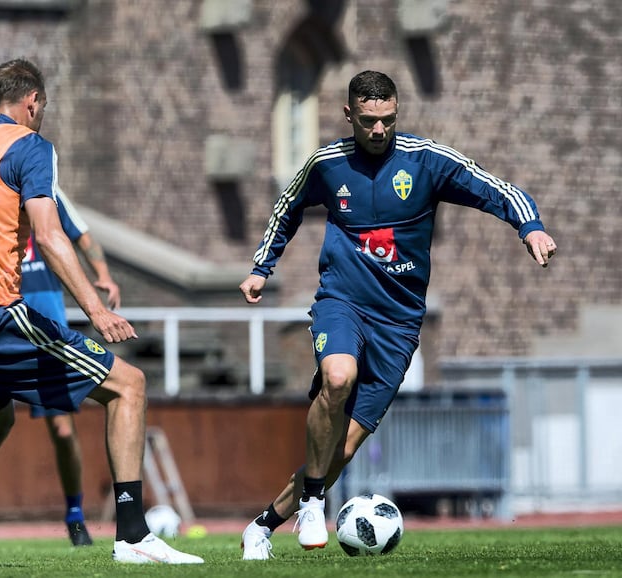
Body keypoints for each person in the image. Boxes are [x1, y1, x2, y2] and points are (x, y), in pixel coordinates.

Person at [0, 58, 203, 568]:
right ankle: (133, 535)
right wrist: (96, 308)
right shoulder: (30, 147)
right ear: (32, 102)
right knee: (128, 386)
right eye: (42, 106)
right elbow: (48, 235)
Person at [238, 70, 557, 560]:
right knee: (337, 377)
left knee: (340, 450)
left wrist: (530, 227)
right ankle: (314, 501)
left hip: (399, 321)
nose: (379, 130)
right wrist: (262, 267)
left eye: (388, 119)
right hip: (342, 302)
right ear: (349, 115)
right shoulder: (327, 164)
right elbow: (287, 207)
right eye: (368, 121)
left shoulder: (426, 161)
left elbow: (496, 188)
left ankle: (263, 525)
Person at [0, 185, 121, 550]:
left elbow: (83, 236)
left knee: (62, 430)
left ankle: (75, 516)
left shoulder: (46, 191)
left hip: (45, 326)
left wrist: (103, 274)